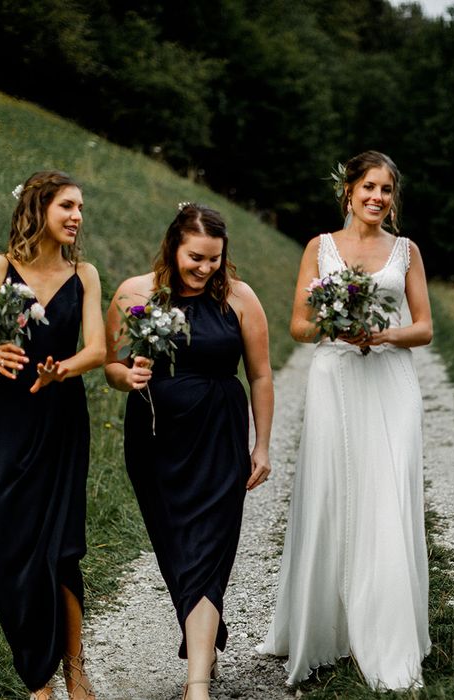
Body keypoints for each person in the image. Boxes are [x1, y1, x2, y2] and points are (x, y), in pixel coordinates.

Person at [257, 151, 433, 690]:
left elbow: (424, 327)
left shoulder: (406, 251)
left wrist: (380, 335)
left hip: (391, 379)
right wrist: (336, 327)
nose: (377, 198)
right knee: (333, 491)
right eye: (369, 187)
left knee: (387, 490)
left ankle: (388, 632)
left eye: (386, 190)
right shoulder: (320, 247)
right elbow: (297, 326)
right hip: (334, 376)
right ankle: (326, 627)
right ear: (348, 191)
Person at [104, 203, 273, 700]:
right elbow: (111, 364)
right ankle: (205, 645)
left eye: (214, 260)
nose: (205, 268)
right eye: (195, 257)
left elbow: (261, 375)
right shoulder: (135, 294)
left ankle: (196, 682)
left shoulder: (240, 299)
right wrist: (126, 375)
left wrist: (261, 444)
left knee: (208, 550)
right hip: (156, 442)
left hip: (220, 438)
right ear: (174, 246)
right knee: (177, 549)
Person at [0, 171, 105, 700]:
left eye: (80, 208)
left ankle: (74, 670)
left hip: (61, 416)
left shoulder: (86, 274)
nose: (77, 215)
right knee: (11, 548)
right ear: (40, 208)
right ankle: (38, 676)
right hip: (8, 419)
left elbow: (97, 349)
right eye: (67, 206)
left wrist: (64, 369)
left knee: (61, 548)